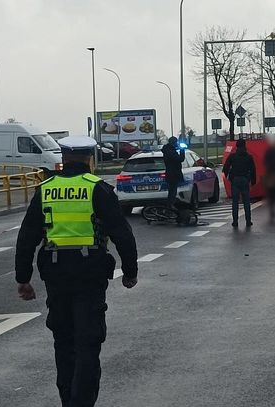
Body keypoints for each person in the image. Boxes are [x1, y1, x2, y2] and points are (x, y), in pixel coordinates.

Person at [15, 135, 138, 407]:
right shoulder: (98, 189)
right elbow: (122, 234)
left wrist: (23, 279)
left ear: (63, 157)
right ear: (89, 159)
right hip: (90, 275)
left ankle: (67, 400)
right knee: (88, 343)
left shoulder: (45, 189)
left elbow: (27, 237)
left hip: (56, 275)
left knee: (64, 342)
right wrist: (130, 272)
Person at [222, 139, 256, 228]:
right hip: (245, 180)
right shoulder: (249, 157)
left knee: (235, 202)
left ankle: (235, 221)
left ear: (236, 146)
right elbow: (253, 170)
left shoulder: (232, 156)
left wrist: (228, 177)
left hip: (235, 180)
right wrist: (253, 181)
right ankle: (248, 221)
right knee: (246, 202)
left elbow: (225, 167)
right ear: (245, 146)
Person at [161, 136, 185, 208]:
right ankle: (170, 206)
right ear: (173, 142)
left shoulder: (168, 150)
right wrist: (182, 150)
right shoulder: (170, 151)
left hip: (170, 173)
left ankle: (170, 205)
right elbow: (180, 159)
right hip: (173, 174)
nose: (176, 144)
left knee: (172, 191)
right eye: (176, 142)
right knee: (172, 191)